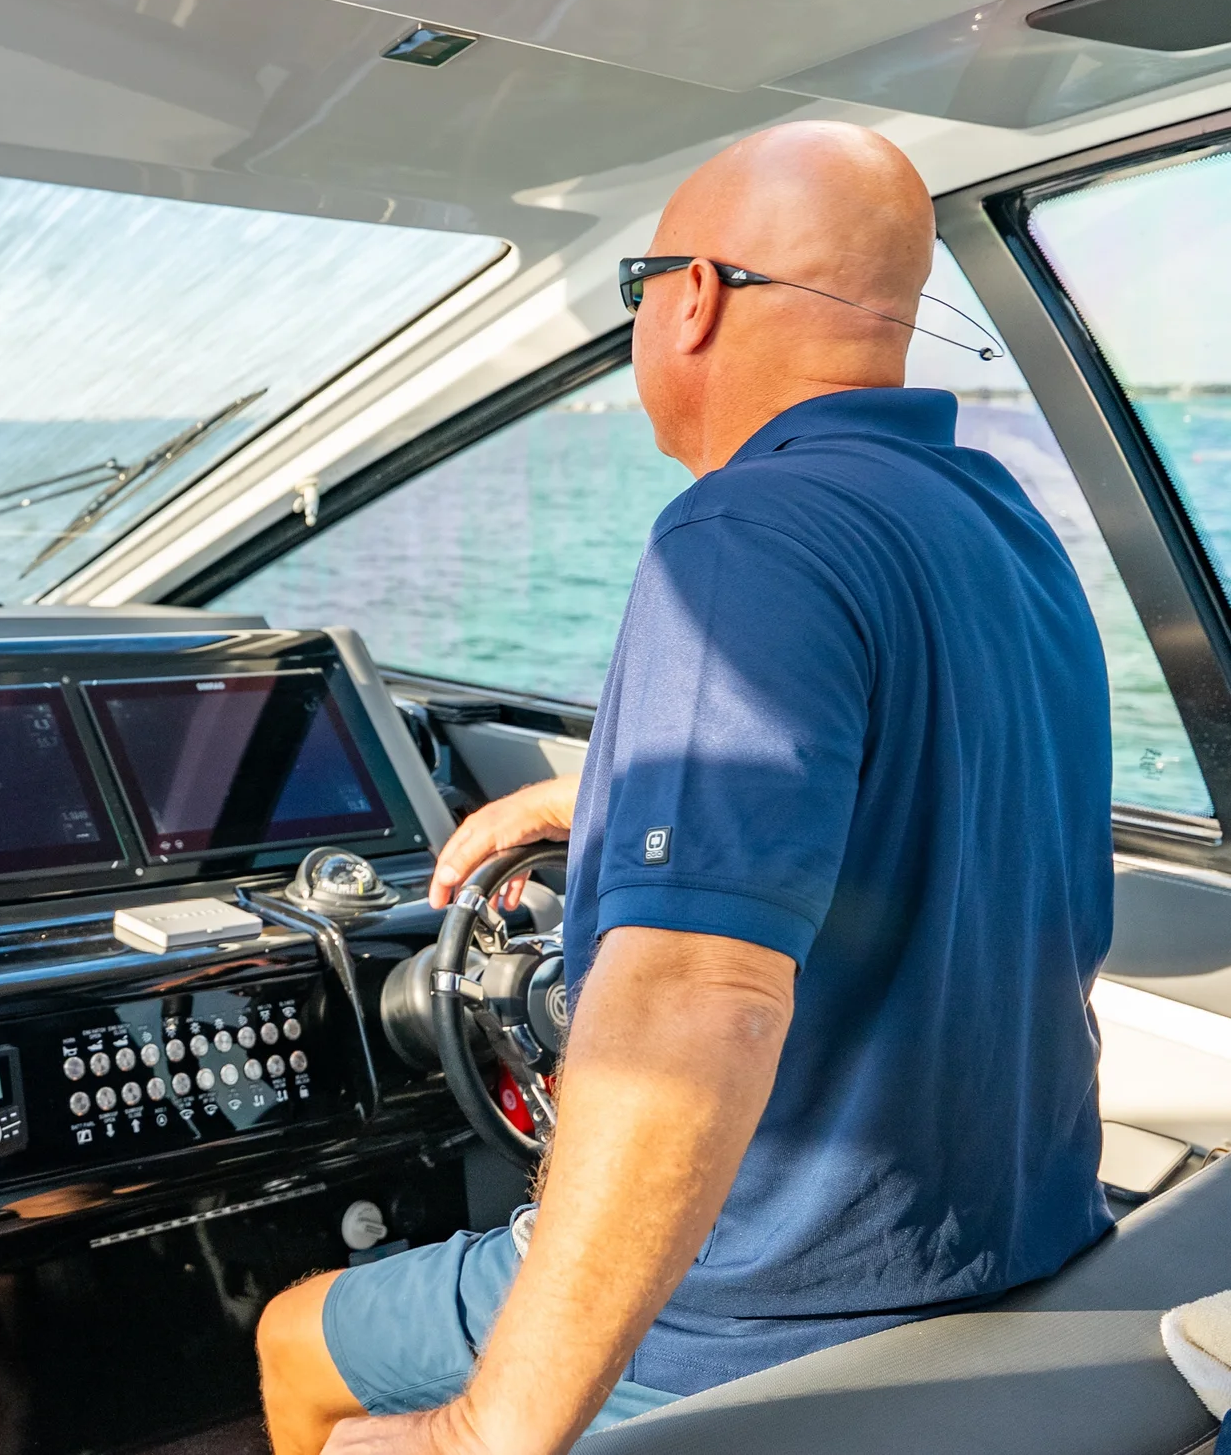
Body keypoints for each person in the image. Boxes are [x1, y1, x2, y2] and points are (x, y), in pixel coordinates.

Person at [255, 121, 1115, 1455]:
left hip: (768, 1311)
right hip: (1025, 1240)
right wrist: (603, 801)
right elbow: (909, 778)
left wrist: (490, 1427)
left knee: (294, 1337)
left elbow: (694, 995)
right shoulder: (999, 522)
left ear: (693, 295)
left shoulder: (739, 530)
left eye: (637, 290)